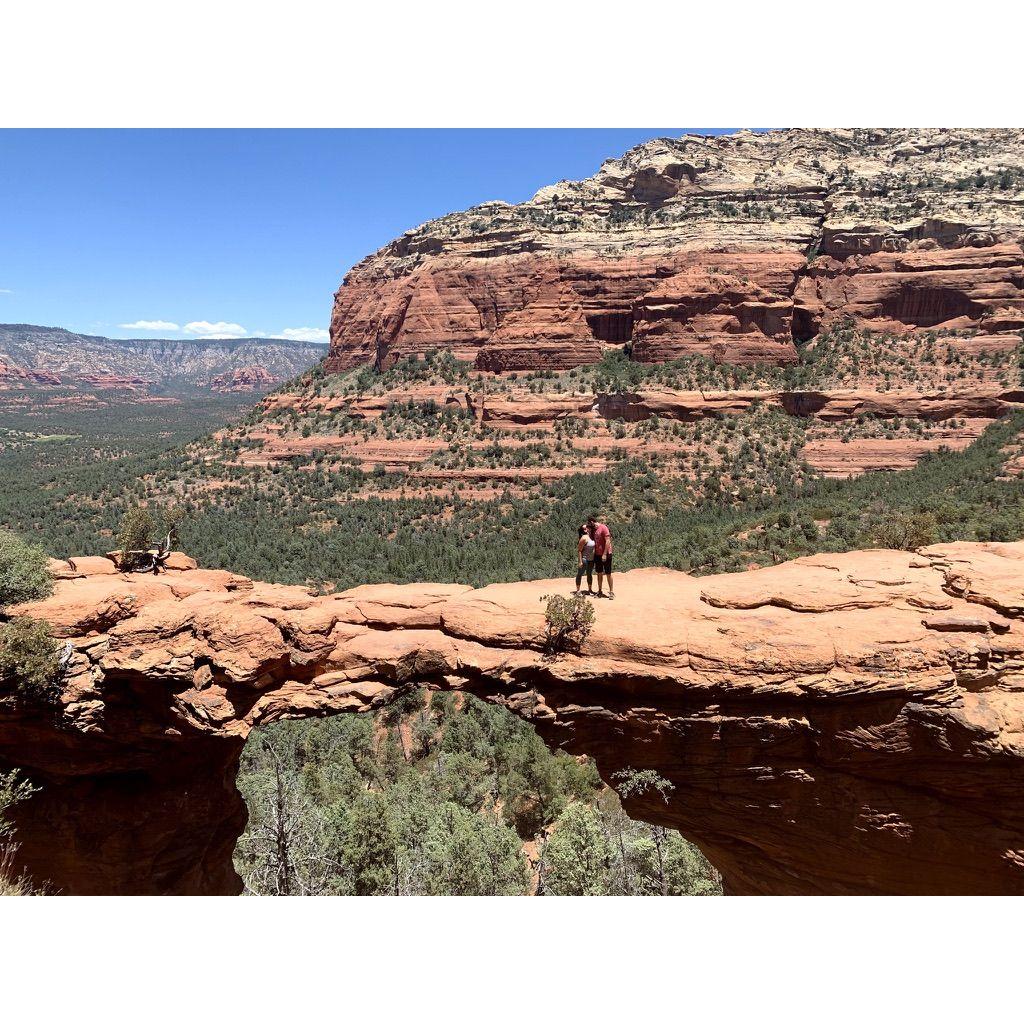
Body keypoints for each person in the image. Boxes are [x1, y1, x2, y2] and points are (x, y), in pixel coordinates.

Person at [587, 515, 614, 599]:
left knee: (608, 573)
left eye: (589, 524)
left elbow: (608, 541)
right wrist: (589, 532)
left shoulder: (603, 528)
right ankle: (599, 591)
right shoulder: (593, 530)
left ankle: (611, 592)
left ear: (592, 522)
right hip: (597, 555)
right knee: (599, 573)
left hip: (606, 554)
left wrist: (605, 554)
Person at [576, 524, 595, 594]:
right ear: (582, 531)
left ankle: (590, 590)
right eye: (584, 529)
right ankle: (578, 590)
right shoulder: (584, 538)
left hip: (591, 560)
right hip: (584, 559)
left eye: (586, 527)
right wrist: (580, 561)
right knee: (580, 574)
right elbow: (579, 550)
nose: (586, 529)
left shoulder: (592, 536)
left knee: (589, 574)